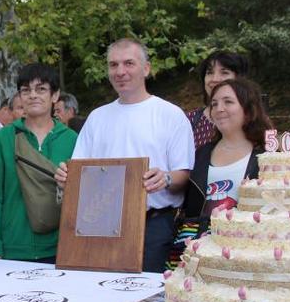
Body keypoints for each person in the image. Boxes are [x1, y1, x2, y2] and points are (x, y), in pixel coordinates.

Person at [55, 38, 195, 273]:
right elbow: (79, 173)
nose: (120, 71)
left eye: (129, 63)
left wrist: (166, 178)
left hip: (153, 225)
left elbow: (184, 174)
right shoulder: (97, 118)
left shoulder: (171, 115)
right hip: (98, 225)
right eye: (113, 65)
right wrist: (66, 177)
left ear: (146, 68)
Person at [0, 63, 77, 262]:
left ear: (55, 96)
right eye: (26, 90)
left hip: (60, 248)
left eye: (41, 89)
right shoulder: (4, 138)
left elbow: (83, 197)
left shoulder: (72, 140)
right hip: (13, 247)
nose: (33, 95)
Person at [179, 77, 273, 243]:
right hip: (199, 250)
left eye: (228, 102)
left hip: (249, 247)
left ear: (249, 110)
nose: (219, 109)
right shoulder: (200, 154)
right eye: (214, 104)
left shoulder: (268, 158)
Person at [187, 51, 249, 149]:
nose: (215, 79)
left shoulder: (254, 119)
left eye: (224, 72)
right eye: (209, 73)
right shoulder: (189, 121)